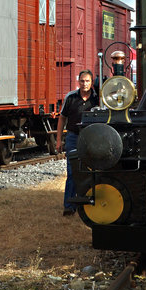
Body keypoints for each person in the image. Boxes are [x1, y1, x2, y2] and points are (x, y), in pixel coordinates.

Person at [55, 70, 99, 216]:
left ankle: (91, 202)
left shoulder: (97, 98)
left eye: (87, 81)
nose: (84, 84)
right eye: (82, 81)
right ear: (78, 82)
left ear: (91, 82)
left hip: (91, 138)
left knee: (93, 170)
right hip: (73, 136)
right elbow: (62, 118)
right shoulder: (71, 97)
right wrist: (58, 140)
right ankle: (69, 206)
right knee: (72, 171)